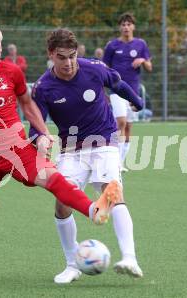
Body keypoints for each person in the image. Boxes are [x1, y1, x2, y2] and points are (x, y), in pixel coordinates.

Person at [0, 26, 121, 276]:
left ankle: (93, 210)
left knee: (52, 177)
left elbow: (28, 106)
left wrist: (43, 132)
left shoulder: (11, 71)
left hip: (16, 147)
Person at [29, 28, 144, 284]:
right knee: (62, 202)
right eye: (61, 57)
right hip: (71, 150)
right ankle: (72, 265)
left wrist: (137, 101)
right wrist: (41, 139)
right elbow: (35, 125)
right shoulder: (43, 88)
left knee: (111, 190)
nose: (68, 63)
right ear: (50, 55)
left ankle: (130, 258)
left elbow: (118, 84)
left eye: (72, 56)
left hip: (104, 141)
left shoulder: (94, 68)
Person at [103, 12, 152, 171]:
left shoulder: (141, 44)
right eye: (123, 24)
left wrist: (143, 61)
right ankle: (114, 161)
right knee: (121, 122)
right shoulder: (112, 46)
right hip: (117, 90)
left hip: (133, 91)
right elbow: (104, 68)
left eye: (128, 24)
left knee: (129, 127)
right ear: (120, 27)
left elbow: (150, 67)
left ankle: (120, 163)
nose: (126, 27)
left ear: (133, 26)